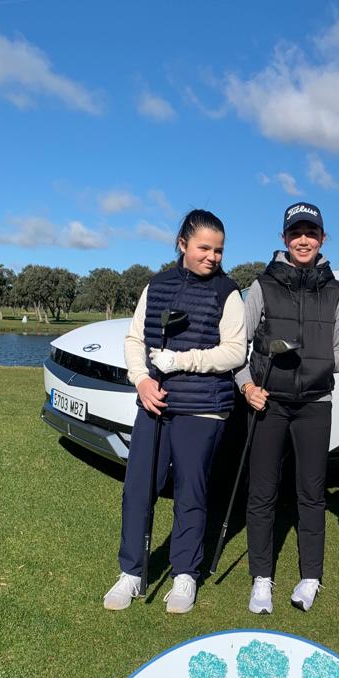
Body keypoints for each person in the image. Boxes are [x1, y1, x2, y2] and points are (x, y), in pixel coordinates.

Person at [103, 209, 246, 613]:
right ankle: (131, 572)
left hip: (204, 407)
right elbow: (135, 339)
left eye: (218, 250)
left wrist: (182, 360)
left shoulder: (227, 292)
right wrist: (141, 380)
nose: (212, 257)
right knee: (138, 488)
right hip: (154, 401)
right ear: (182, 244)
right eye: (204, 248)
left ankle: (185, 573)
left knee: (190, 490)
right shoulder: (156, 285)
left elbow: (235, 351)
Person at [237, 202, 339, 615]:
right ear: (284, 238)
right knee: (262, 492)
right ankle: (261, 578)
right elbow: (239, 347)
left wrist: (318, 360)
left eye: (312, 233)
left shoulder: (337, 293)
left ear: (322, 238)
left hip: (315, 404)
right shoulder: (261, 286)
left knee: (311, 492)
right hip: (268, 400)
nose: (304, 240)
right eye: (296, 233)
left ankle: (310, 577)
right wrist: (246, 386)